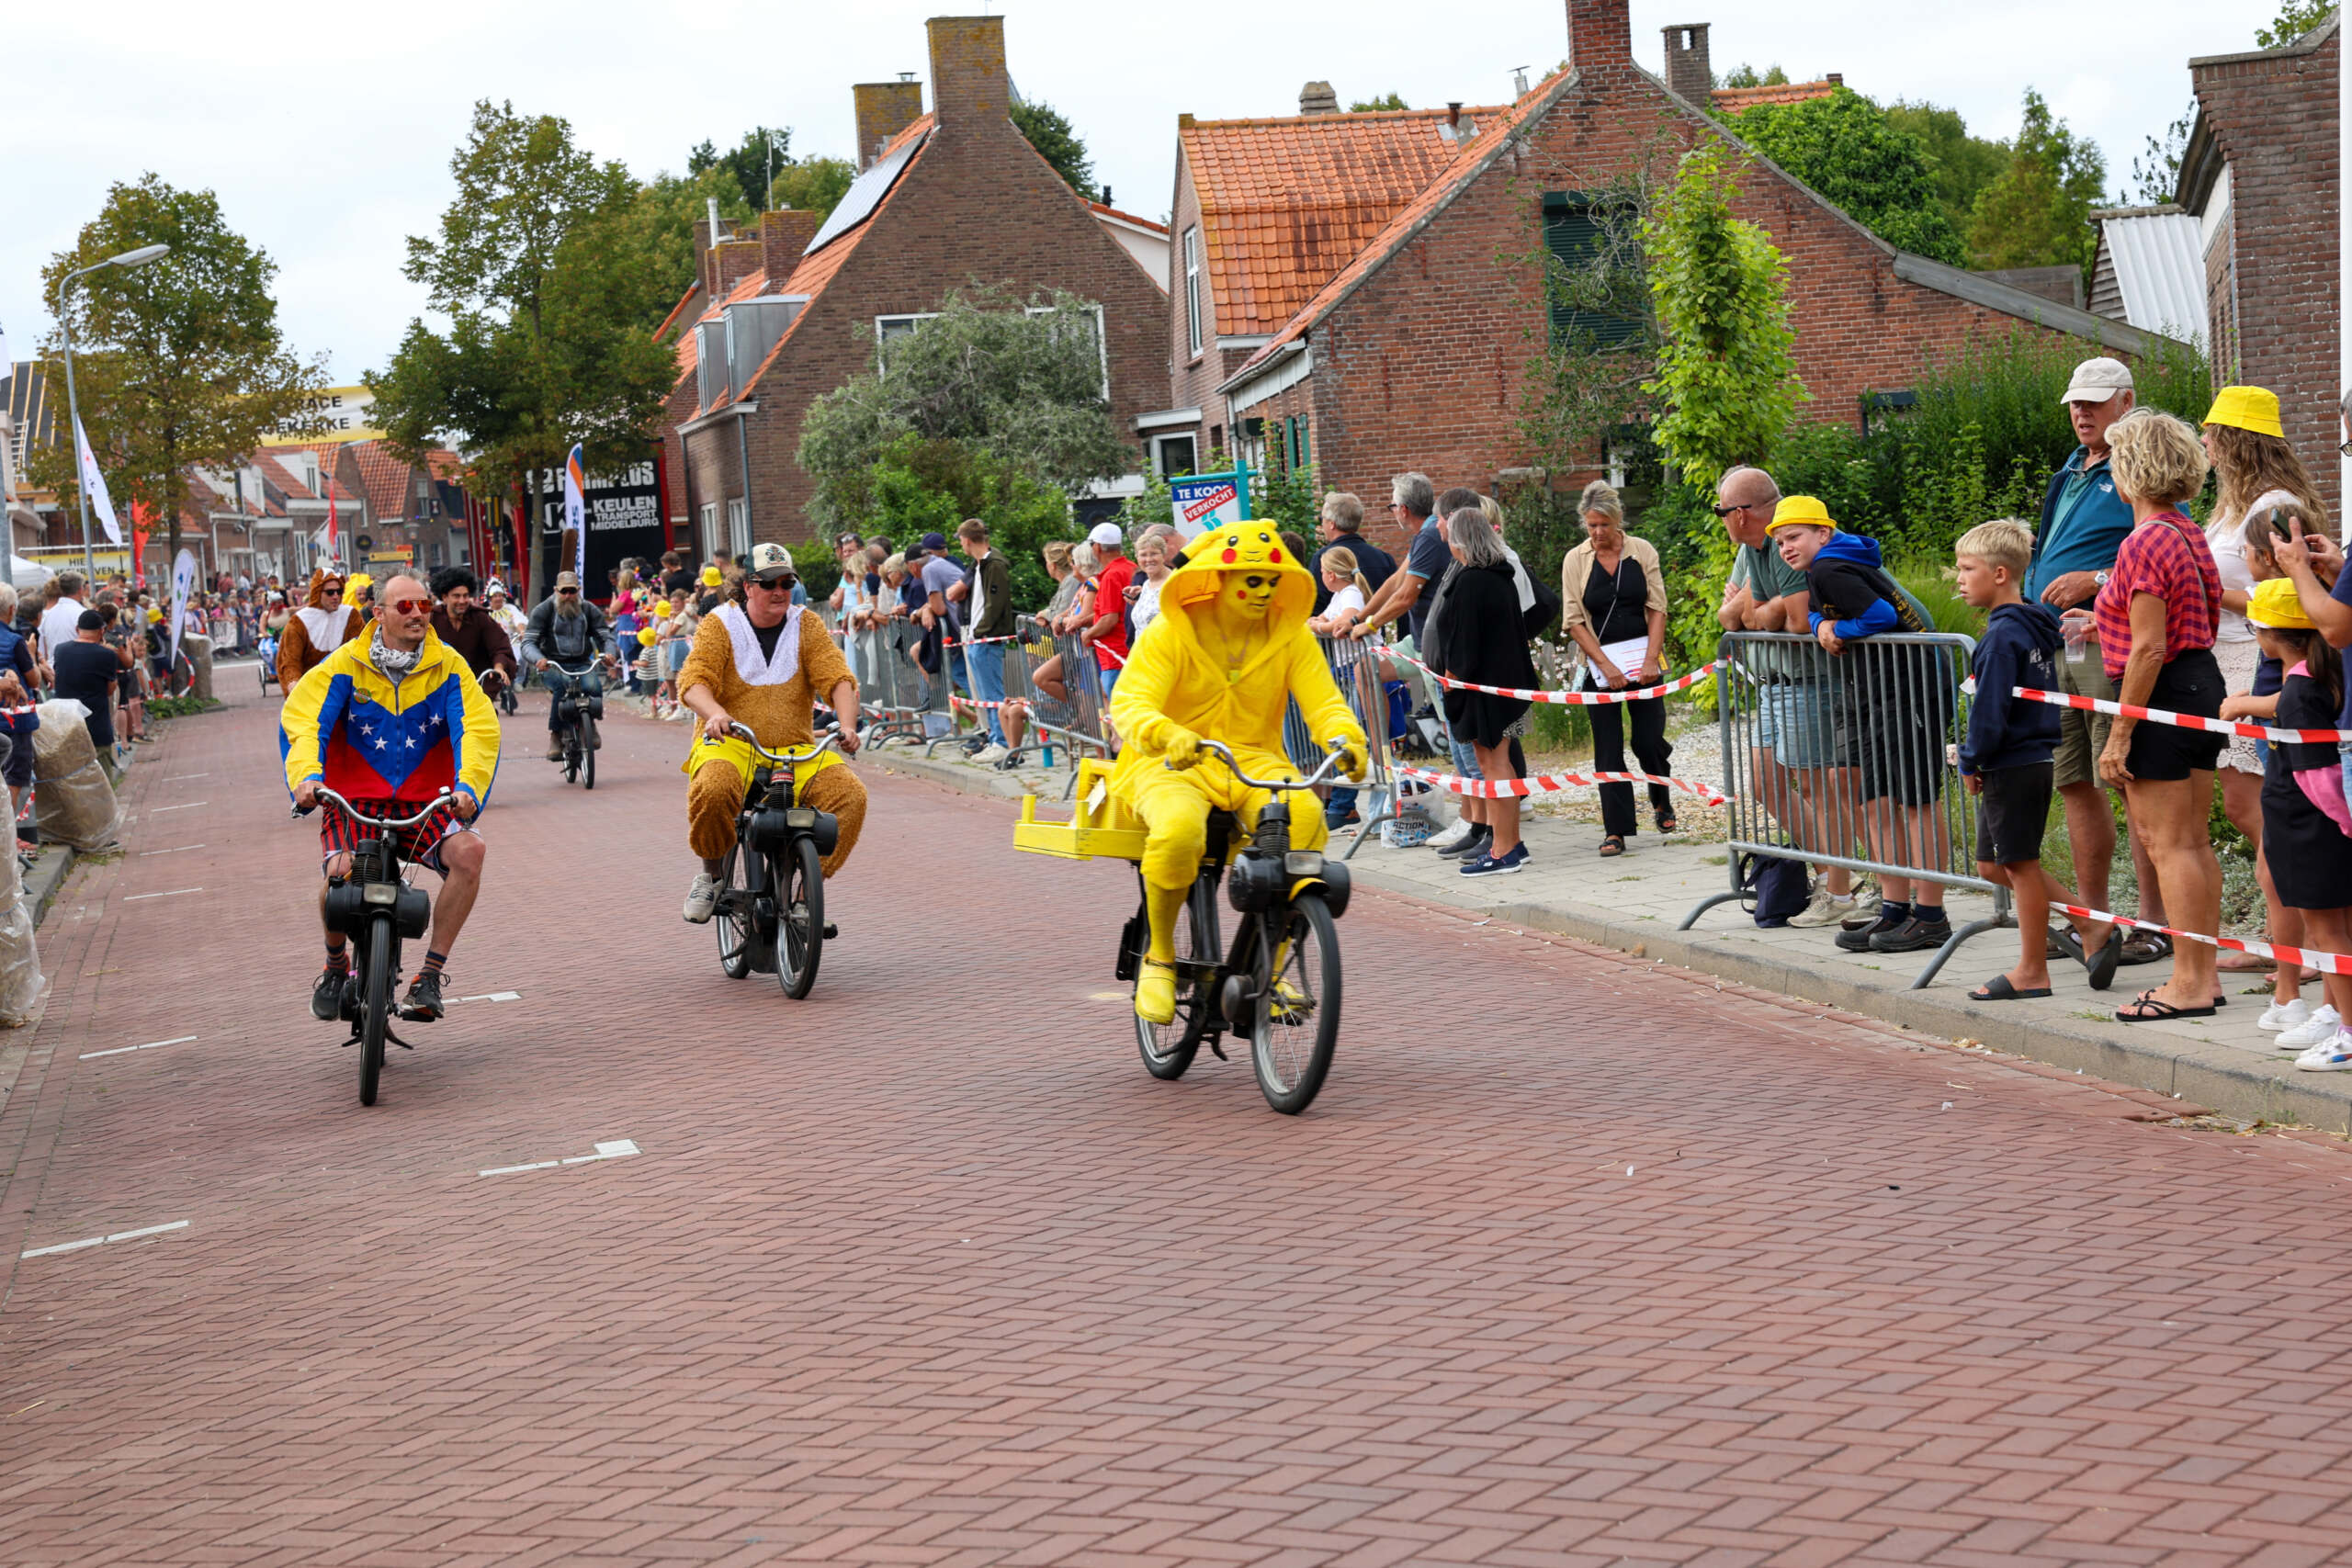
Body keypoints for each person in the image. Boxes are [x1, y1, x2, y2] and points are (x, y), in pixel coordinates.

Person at [1108, 524, 1368, 1022]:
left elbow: (1325, 704)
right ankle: (1160, 956)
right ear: (1220, 579)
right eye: (1252, 581)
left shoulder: (1290, 636)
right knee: (1178, 831)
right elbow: (1131, 701)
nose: (1264, 591)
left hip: (1253, 759)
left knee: (1305, 817)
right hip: (1170, 761)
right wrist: (1166, 732)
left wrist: (1346, 739)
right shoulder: (1172, 629)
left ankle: (1270, 966)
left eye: (1272, 581)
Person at [282, 572, 500, 1023]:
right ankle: (335, 965)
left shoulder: (449, 666)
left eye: (424, 605)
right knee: (339, 874)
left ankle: (430, 976)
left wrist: (468, 788)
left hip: (426, 801)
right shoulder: (346, 663)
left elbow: (477, 729)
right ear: (378, 613)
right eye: (405, 606)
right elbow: (305, 720)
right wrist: (306, 779)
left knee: (470, 852)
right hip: (354, 799)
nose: (418, 613)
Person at [2030, 357, 2170, 967]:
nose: (2082, 412)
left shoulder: (2139, 467)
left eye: (2094, 401)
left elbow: (2165, 550)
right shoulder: (2069, 469)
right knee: (2074, 779)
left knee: (2127, 777)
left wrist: (2094, 579)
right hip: (2058, 644)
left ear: (2126, 401)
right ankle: (2094, 922)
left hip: (2106, 642)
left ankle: (2154, 922)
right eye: (2075, 403)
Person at [1768, 497, 1952, 954]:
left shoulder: (1831, 567)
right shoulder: (1822, 568)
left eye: (1794, 537)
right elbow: (1817, 611)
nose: (1786, 547)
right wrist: (1820, 626)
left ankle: (1931, 916)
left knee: (1915, 801)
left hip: (1909, 689)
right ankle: (1894, 910)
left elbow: (1882, 617)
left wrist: (1838, 631)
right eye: (1780, 541)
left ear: (1823, 533)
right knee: (1876, 804)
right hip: (1874, 691)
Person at [2094, 408, 2228, 1023]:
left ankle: (2189, 981)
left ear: (2131, 470)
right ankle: (2203, 975)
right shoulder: (2185, 530)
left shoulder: (2144, 540)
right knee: (2191, 841)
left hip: (2162, 692)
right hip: (2198, 683)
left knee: (2167, 843)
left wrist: (2120, 733)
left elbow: (2149, 646)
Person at [2199, 385, 2330, 979]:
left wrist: (2203, 591)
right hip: (2230, 655)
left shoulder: (2277, 505)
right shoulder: (2233, 505)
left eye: (2212, 433)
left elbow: (2287, 595)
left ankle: (2310, 941)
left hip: (2261, 657)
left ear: (2236, 439)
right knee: (2247, 805)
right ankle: (2287, 936)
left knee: (2267, 809)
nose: (2205, 443)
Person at [1952, 520, 2114, 999]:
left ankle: (2032, 971)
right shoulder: (2031, 624)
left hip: (2014, 761)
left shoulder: (2003, 637)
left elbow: (1990, 710)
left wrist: (1969, 760)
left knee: (2021, 865)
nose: (1959, 579)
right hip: (2025, 758)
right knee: (1991, 865)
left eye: (1968, 569)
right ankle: (2089, 923)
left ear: (2000, 573)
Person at [677, 543, 867, 923]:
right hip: (732, 743)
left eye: (786, 583)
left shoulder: (805, 624)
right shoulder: (719, 623)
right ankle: (711, 876)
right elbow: (693, 681)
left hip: (794, 750)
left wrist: (847, 725)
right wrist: (715, 714)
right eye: (768, 583)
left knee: (850, 795)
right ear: (747, 586)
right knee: (713, 789)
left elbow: (838, 678)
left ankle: (805, 896)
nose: (779, 591)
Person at [1716, 465, 1869, 930]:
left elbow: (1796, 621)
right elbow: (1731, 618)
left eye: (1722, 511)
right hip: (1773, 683)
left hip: (1808, 680)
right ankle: (1834, 876)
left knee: (1820, 788)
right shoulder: (1753, 548)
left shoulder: (1788, 544)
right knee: (1765, 783)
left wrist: (1759, 608)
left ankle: (1839, 891)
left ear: (1741, 513)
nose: (1721, 518)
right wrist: (1760, 609)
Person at [2233, 579, 2352, 1067]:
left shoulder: (2299, 691)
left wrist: (2343, 821)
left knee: (2327, 935)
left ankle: (2348, 1032)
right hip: (2314, 824)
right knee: (2337, 930)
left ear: (2270, 635)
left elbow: (2318, 775)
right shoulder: (2319, 676)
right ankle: (2339, 1018)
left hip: (2309, 827)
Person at [2233, 503, 2327, 1032]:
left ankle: (2307, 999)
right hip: (2283, 758)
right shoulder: (2296, 605)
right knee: (2275, 873)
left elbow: (2296, 693)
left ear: (2268, 556)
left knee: (2283, 876)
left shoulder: (2293, 614)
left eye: (2246, 551)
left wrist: (2243, 704)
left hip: (2299, 769)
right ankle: (2292, 992)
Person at [1560, 479, 1673, 855]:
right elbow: (1574, 619)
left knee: (1648, 740)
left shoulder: (1642, 551)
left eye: (1604, 525)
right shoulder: (1575, 559)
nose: (1597, 533)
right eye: (1591, 525)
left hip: (1643, 659)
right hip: (1600, 666)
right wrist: (1606, 666)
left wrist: (1651, 659)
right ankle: (1616, 830)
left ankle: (1661, 796)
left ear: (1618, 520)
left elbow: (1657, 607)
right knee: (1608, 748)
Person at [1432, 505, 1538, 876]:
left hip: (1483, 688)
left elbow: (1465, 642)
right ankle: (1510, 843)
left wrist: (1451, 679)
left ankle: (1503, 848)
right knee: (1501, 763)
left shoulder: (1471, 582)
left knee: (1492, 765)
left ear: (1460, 540)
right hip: (1507, 685)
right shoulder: (1499, 575)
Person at [519, 570, 616, 761]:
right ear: (556, 590)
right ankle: (555, 734)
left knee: (594, 687)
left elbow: (606, 637)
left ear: (579, 590)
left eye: (572, 591)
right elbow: (528, 642)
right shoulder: (543, 610)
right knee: (562, 687)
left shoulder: (589, 609)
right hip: (552, 664)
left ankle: (590, 724)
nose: (568, 596)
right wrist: (539, 659)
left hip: (582, 663)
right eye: (564, 591)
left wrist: (609, 653)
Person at [1342, 473, 1440, 642]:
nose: (1393, 512)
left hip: (1435, 640)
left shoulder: (1428, 537)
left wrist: (1370, 625)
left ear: (1404, 510)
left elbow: (1405, 597)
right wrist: (1356, 620)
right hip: (1424, 637)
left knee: (1374, 659)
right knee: (1374, 660)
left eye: (1393, 506)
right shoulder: (1428, 531)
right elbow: (1395, 582)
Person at [953, 518, 1014, 761]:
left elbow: (995, 603)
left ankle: (1001, 741)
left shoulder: (994, 565)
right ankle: (994, 737)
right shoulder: (980, 564)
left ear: (967, 540)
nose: (961, 545)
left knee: (993, 694)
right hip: (978, 638)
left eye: (961, 540)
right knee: (986, 695)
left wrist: (981, 631)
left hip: (986, 638)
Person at [428, 568, 517, 696]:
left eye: (465, 596)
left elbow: (500, 646)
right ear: (445, 597)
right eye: (456, 596)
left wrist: (498, 667)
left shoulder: (480, 618)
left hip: (476, 687)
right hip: (440, 688)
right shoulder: (432, 618)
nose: (462, 601)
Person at [1308, 492, 1395, 614]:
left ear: (1332, 524)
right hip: (1376, 624)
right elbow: (1398, 601)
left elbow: (1314, 606)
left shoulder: (1323, 559)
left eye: (1322, 519)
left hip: (1337, 625)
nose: (1321, 524)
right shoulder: (1384, 559)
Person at [277, 569, 360, 691]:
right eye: (330, 592)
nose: (336, 596)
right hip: (310, 688)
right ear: (318, 592)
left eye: (339, 591)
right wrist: (295, 686)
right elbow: (290, 661)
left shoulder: (351, 615)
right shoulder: (299, 621)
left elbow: (360, 650)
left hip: (345, 687)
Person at [52, 610, 122, 753]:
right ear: (102, 631)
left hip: (67, 725)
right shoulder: (107, 655)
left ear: (77, 629)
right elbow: (110, 690)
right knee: (102, 765)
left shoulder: (60, 650)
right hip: (96, 725)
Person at [1080, 522, 1136, 695]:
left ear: (1097, 547)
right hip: (1131, 652)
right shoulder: (1131, 567)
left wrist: (1087, 635)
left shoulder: (1111, 576)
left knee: (1118, 708)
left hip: (1115, 656)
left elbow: (1109, 620)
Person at [1307, 547, 1371, 635]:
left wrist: (1320, 627)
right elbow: (1322, 618)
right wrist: (1313, 621)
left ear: (1331, 576)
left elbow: (1347, 620)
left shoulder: (1351, 593)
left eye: (1322, 572)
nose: (1322, 575)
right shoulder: (1338, 594)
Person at [38, 570, 90, 670]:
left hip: (54, 670)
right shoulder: (83, 614)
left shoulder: (47, 616)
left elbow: (42, 650)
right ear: (80, 589)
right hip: (78, 669)